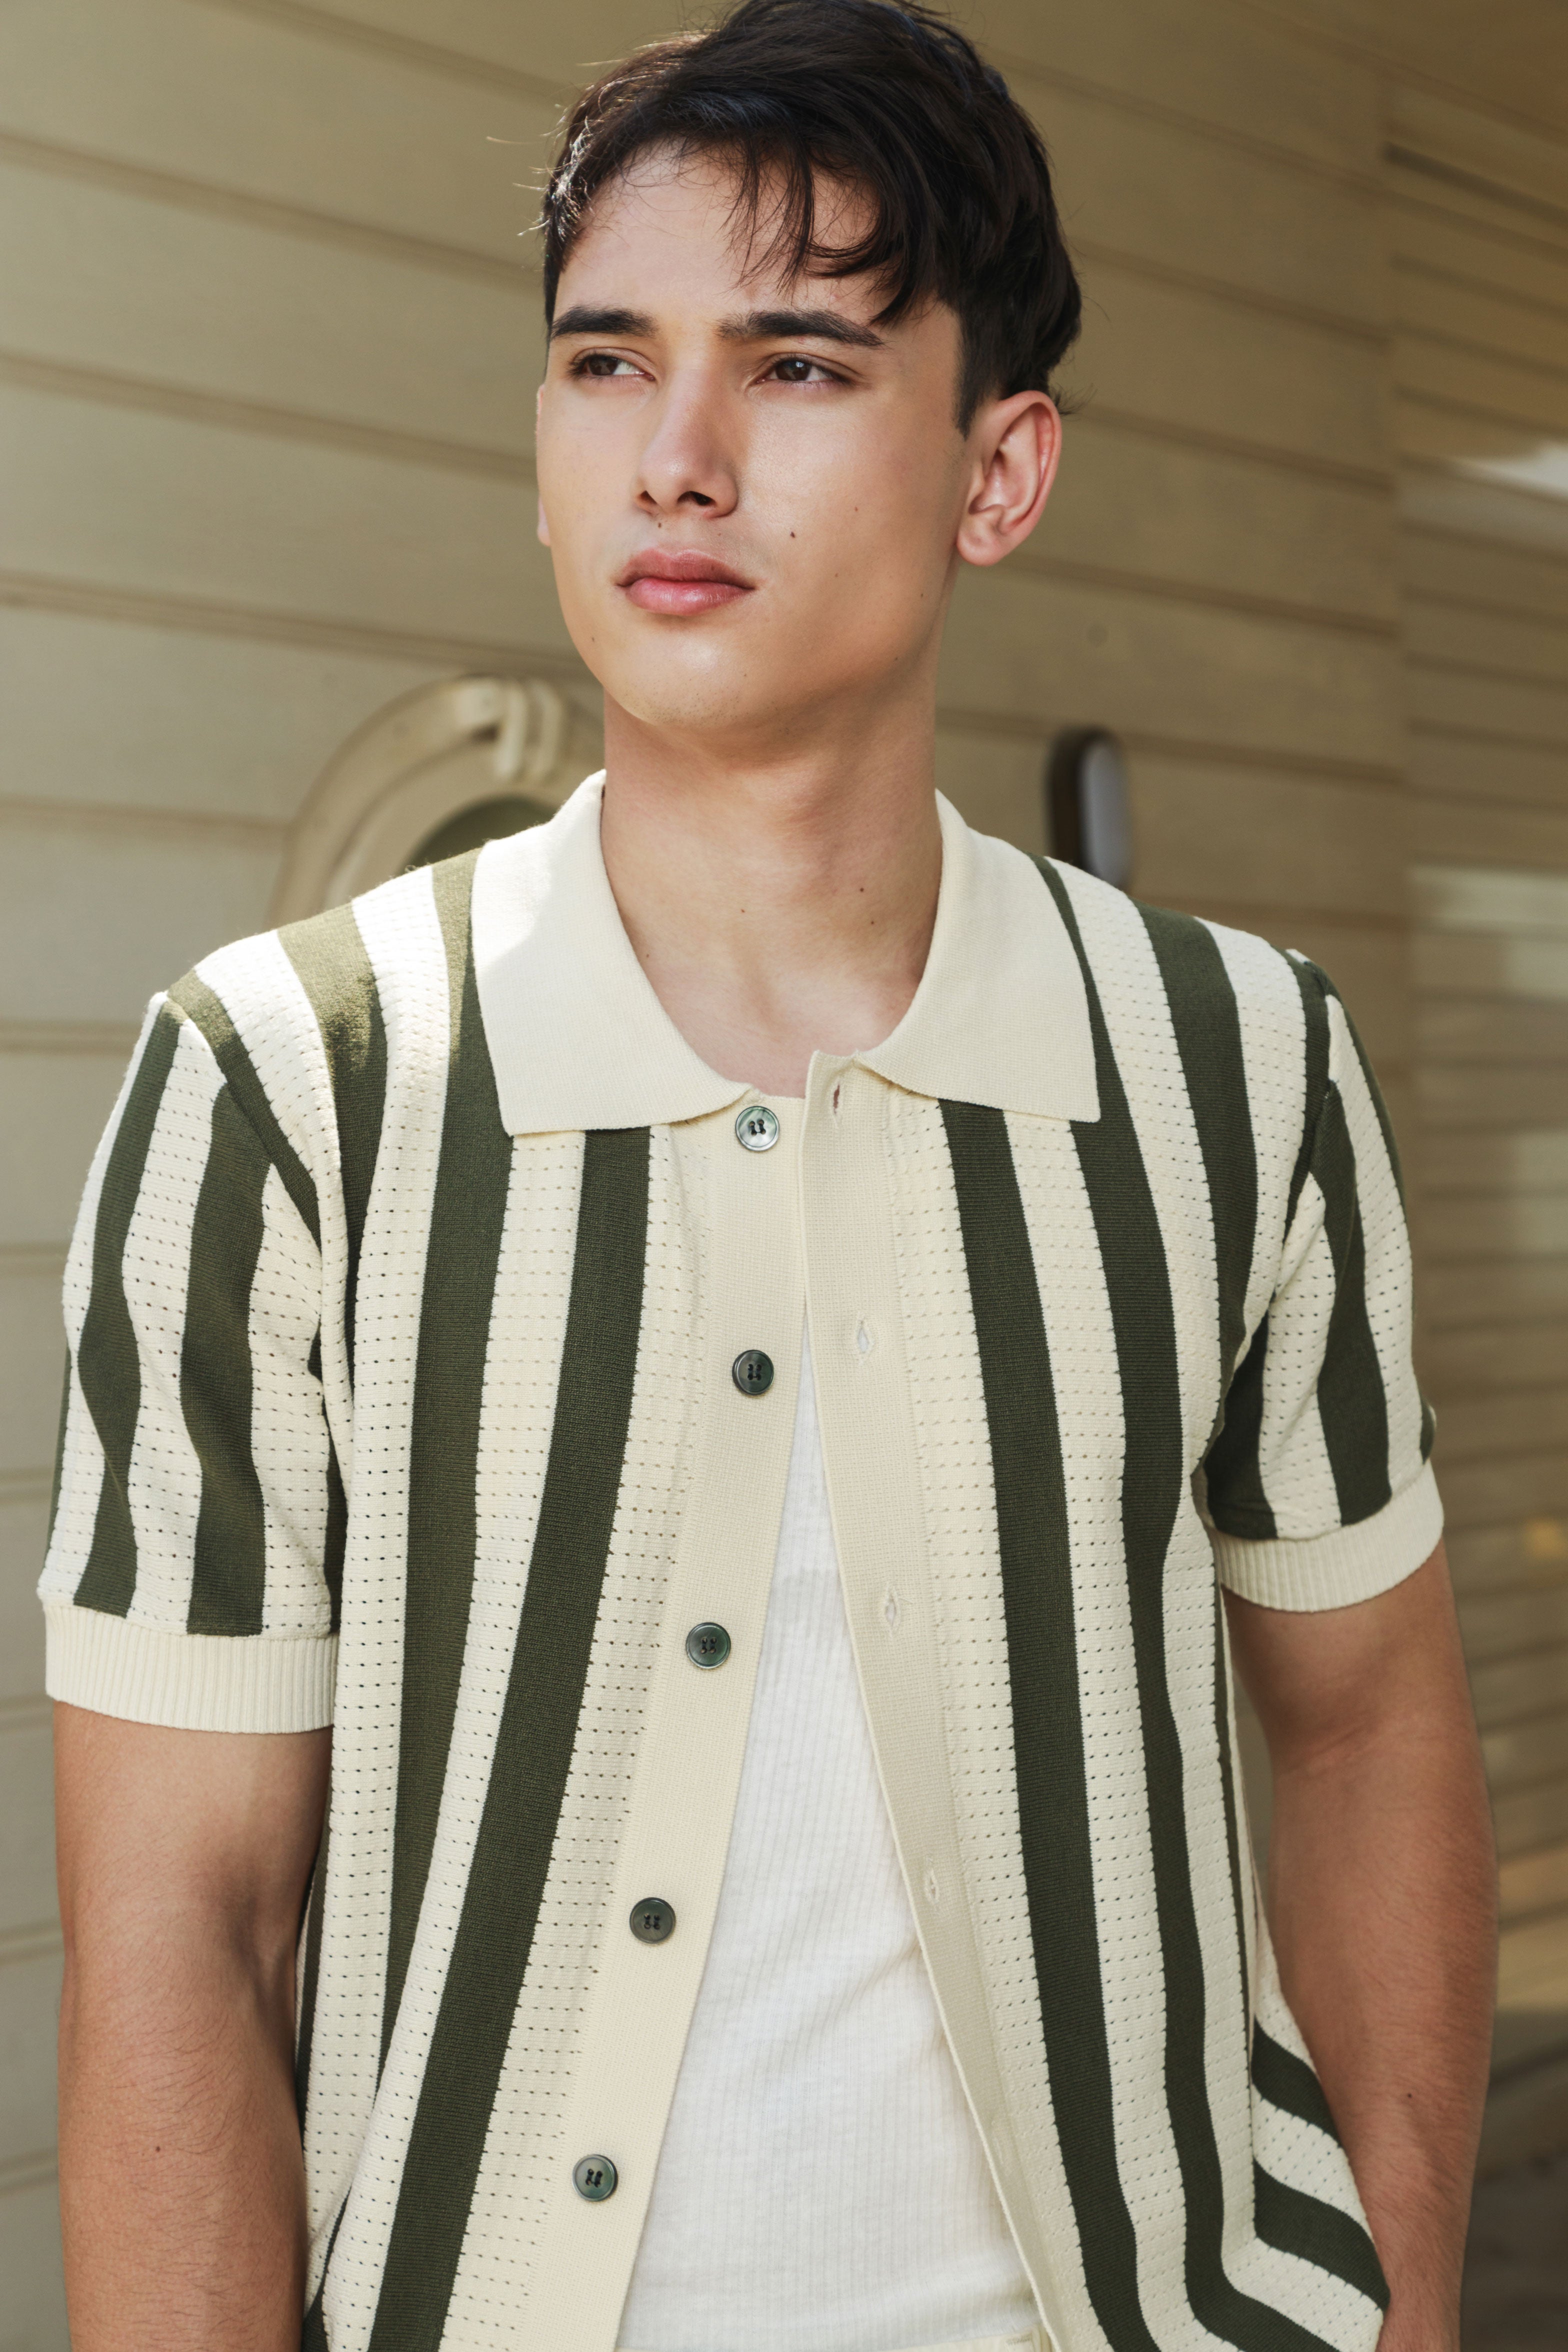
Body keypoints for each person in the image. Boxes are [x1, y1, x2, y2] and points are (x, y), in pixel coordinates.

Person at [44, 4, 1497, 2348]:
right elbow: (176, 1934)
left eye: (797, 366)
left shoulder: (1238, 1063)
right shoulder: (282, 1085)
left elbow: (1366, 1724)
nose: (677, 460)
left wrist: (1399, 2297)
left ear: (998, 471)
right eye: (605, 364)